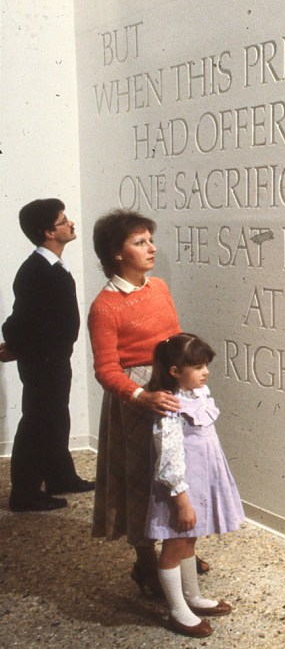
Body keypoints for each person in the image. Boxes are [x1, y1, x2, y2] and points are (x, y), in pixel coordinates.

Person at [88, 209, 212, 597]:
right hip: (137, 400)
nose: (151, 248)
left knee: (178, 473)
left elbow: (175, 340)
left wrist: (189, 379)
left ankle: (179, 550)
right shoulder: (105, 306)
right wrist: (141, 395)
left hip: (171, 388)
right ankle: (145, 564)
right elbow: (106, 369)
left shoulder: (158, 288)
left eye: (150, 240)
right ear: (117, 253)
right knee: (141, 481)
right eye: (139, 242)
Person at [144, 333, 242, 638]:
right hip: (181, 490)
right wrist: (181, 501)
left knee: (189, 540)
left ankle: (192, 596)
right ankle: (177, 610)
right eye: (198, 367)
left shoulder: (198, 394)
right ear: (175, 371)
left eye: (205, 365)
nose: (205, 372)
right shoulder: (171, 406)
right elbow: (169, 458)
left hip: (201, 481)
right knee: (175, 545)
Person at [2, 199, 93, 512]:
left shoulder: (51, 267)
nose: (71, 223)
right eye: (63, 221)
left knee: (56, 417)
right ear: (48, 232)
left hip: (53, 358)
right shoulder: (36, 271)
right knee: (38, 422)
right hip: (44, 362)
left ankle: (59, 476)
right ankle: (24, 494)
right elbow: (19, 321)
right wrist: (15, 345)